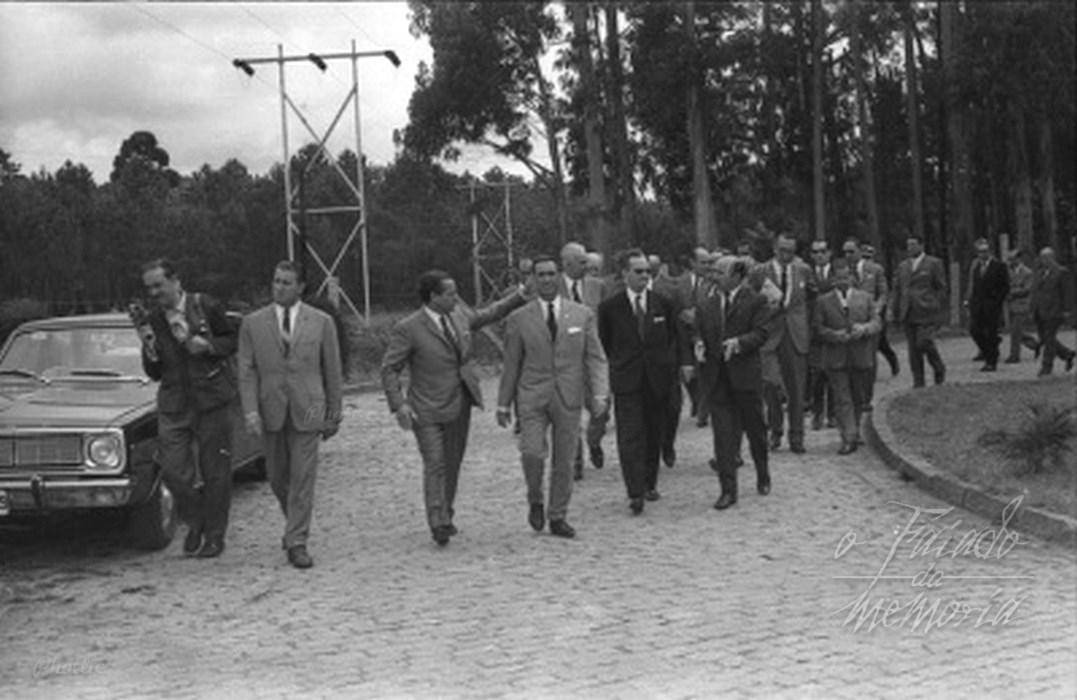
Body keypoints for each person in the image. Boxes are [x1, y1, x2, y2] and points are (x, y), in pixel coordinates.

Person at [380, 270, 530, 546]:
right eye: (450, 293)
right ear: (433, 297)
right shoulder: (409, 328)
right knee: (435, 462)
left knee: (452, 462)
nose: (456, 297)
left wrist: (520, 295)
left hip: (460, 402)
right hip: (425, 406)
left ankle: (445, 510)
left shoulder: (459, 316)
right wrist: (398, 405)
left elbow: (489, 313)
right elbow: (389, 369)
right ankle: (437, 521)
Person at [237, 261, 343, 569]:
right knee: (278, 476)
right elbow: (246, 371)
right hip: (270, 407)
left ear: (300, 287)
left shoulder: (321, 322)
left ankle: (297, 541)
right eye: (276, 281)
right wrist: (250, 410)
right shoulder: (253, 323)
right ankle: (293, 523)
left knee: (303, 477)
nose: (279, 287)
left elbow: (332, 371)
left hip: (310, 407)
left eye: (286, 282)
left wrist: (333, 414)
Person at [497, 255, 609, 539]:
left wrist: (599, 393)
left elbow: (595, 357)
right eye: (540, 275)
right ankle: (535, 496)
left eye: (550, 274)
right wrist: (503, 403)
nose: (546, 280)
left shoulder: (581, 314)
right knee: (532, 452)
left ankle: (558, 514)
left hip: (568, 394)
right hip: (532, 395)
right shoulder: (519, 318)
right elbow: (511, 364)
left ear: (558, 276)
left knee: (565, 459)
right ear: (533, 279)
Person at [139, 258, 237, 559]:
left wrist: (208, 346)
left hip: (211, 400)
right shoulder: (153, 319)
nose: (154, 293)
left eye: (159, 285)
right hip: (174, 404)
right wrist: (149, 350)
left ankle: (214, 537)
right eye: (149, 288)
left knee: (215, 472)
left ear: (175, 281)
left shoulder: (205, 305)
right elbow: (154, 372)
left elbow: (232, 340)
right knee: (172, 471)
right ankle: (196, 521)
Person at [598, 249, 687, 515]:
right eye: (638, 271)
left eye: (647, 271)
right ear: (625, 273)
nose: (644, 276)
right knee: (630, 436)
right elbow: (605, 343)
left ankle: (649, 482)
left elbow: (674, 337)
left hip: (657, 379)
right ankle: (635, 491)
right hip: (627, 380)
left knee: (653, 433)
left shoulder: (663, 303)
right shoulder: (610, 308)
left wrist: (680, 365)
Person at [687, 256, 770, 510]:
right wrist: (698, 343)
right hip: (717, 377)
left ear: (737, 275)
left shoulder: (756, 300)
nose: (715, 276)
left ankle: (763, 472)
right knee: (722, 435)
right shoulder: (707, 303)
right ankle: (728, 490)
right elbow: (698, 330)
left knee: (755, 429)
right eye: (714, 272)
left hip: (745, 376)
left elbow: (761, 333)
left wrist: (740, 343)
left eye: (721, 272)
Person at [811, 260, 881, 454]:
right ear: (833, 279)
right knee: (842, 398)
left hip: (860, 356)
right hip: (836, 357)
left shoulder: (865, 298)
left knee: (858, 397)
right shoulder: (823, 301)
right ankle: (848, 437)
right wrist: (835, 335)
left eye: (846, 277)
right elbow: (818, 328)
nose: (843, 281)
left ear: (851, 277)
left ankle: (855, 430)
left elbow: (877, 322)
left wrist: (864, 329)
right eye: (838, 278)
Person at [559, 242, 608, 477]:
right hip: (564, 362)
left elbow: (607, 320)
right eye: (581, 262)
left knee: (602, 408)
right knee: (569, 413)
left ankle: (594, 440)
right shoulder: (551, 288)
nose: (586, 266)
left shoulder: (598, 287)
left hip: (593, 359)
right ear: (567, 264)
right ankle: (575, 459)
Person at [761, 234, 814, 453]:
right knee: (771, 385)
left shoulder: (803, 271)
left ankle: (797, 435)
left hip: (795, 334)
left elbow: (811, 299)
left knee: (796, 388)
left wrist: (807, 327)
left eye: (791, 251)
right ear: (774, 249)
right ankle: (775, 430)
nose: (786, 255)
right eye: (782, 250)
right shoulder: (760, 271)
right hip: (770, 336)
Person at [889, 234, 948, 388]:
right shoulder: (903, 266)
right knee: (913, 349)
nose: (910, 248)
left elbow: (941, 287)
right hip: (908, 311)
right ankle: (918, 380)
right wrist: (894, 310)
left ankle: (938, 367)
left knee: (924, 342)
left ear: (921, 246)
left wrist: (935, 304)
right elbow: (897, 289)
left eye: (913, 244)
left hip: (927, 310)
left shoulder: (933, 263)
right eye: (908, 245)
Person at [1029, 247, 1076, 376]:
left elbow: (1067, 292)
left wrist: (1067, 309)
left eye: (1046, 257)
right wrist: (1032, 308)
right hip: (1040, 311)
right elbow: (1035, 292)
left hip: (1054, 310)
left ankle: (1046, 366)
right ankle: (1066, 354)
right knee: (1044, 338)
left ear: (1052, 257)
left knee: (1049, 338)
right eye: (1042, 257)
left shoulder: (1061, 272)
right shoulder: (1039, 272)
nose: (1043, 260)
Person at [964, 238, 1010, 372]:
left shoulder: (999, 266)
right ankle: (988, 351)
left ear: (989, 252)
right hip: (978, 306)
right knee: (974, 330)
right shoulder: (976, 267)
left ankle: (991, 362)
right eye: (979, 252)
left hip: (992, 306)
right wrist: (970, 301)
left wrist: (997, 302)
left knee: (991, 333)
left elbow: (1004, 287)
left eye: (984, 251)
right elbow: (974, 287)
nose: (982, 254)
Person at [806, 239, 836, 432]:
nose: (819, 255)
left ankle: (832, 413)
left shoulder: (837, 273)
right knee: (816, 374)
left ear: (829, 253)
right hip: (813, 330)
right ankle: (817, 413)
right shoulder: (806, 274)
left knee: (834, 372)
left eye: (823, 251)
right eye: (815, 252)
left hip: (833, 327)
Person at [860, 243, 900, 375]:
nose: (866, 260)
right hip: (860, 309)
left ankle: (892, 363)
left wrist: (879, 308)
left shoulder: (877, 270)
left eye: (868, 257)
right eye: (864, 257)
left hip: (875, 310)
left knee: (880, 342)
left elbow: (883, 291)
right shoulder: (856, 270)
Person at [1003, 249, 1035, 363]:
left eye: (1013, 259)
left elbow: (1027, 289)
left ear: (1019, 259)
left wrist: (1012, 293)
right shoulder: (1007, 272)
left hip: (1022, 304)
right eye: (1009, 259)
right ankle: (1035, 344)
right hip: (1010, 305)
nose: (1011, 262)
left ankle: (1014, 355)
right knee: (1015, 330)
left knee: (1015, 331)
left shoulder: (1027, 273)